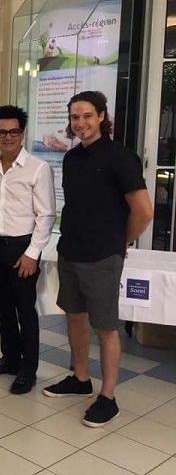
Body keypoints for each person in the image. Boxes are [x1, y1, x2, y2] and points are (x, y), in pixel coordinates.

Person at [43, 91, 153, 427]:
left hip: (102, 255)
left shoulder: (121, 158)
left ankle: (108, 397)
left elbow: (143, 212)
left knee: (105, 327)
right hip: (70, 250)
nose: (81, 123)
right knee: (74, 317)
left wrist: (120, 242)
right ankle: (80, 379)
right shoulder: (73, 158)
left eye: (87, 116)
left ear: (102, 116)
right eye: (75, 117)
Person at [0, 105, 56, 394]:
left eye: (14, 132)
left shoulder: (38, 168)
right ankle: (10, 360)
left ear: (22, 134)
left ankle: (28, 370)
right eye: (2, 132)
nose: (8, 137)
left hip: (23, 248)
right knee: (2, 308)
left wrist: (32, 254)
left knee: (25, 310)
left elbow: (46, 215)